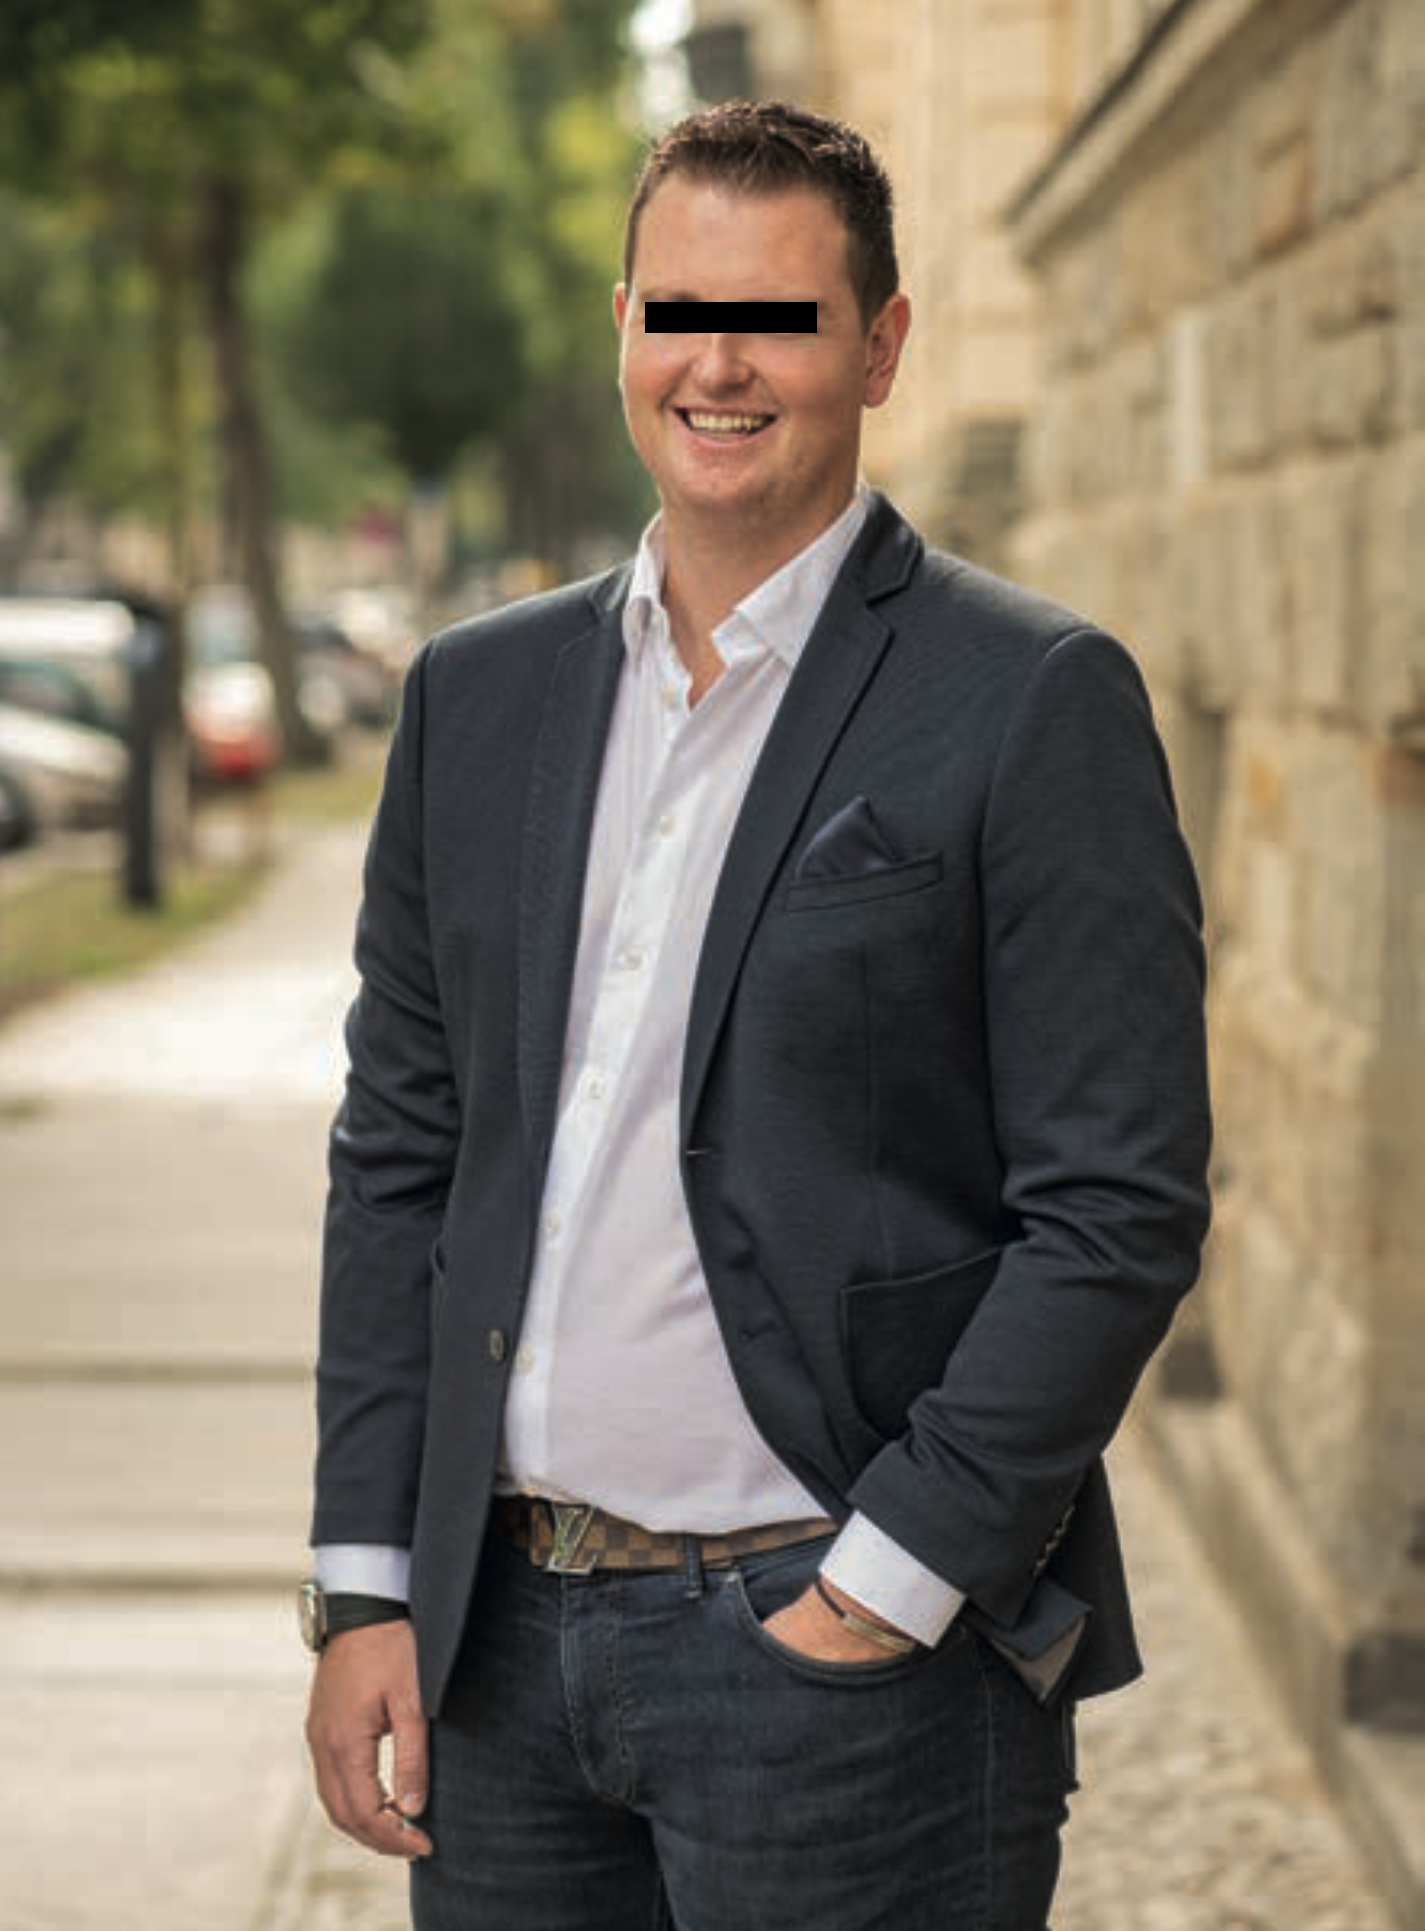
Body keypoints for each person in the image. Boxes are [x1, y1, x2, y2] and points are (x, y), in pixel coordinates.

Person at [303, 98, 1212, 1930]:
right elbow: (402, 1156)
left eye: (779, 317)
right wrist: (367, 1577)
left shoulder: (1031, 695)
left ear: (879, 345)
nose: (719, 364)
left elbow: (1118, 1205)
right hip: (497, 1659)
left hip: (835, 1668)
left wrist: (894, 1576)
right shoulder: (475, 697)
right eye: (679, 311)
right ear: (624, 328)